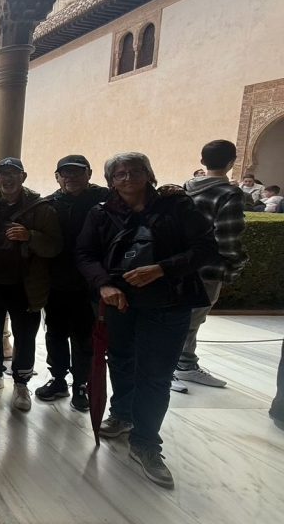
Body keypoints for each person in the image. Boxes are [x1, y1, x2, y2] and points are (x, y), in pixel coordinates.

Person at [77, 152, 216, 489]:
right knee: (121, 361)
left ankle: (146, 442)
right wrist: (104, 285)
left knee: (155, 374)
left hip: (168, 302)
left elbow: (205, 248)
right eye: (120, 173)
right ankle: (123, 415)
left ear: (149, 174)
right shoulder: (101, 213)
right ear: (111, 181)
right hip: (120, 303)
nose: (128, 178)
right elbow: (85, 254)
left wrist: (162, 269)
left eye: (135, 171)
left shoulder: (176, 206)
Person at [0, 157, 61, 412]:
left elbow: (55, 245)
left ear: (23, 177)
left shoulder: (41, 208)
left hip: (25, 284)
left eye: (13, 174)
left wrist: (29, 236)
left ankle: (22, 383)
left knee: (25, 335)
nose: (8, 179)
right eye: (3, 174)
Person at [36, 155, 109, 411]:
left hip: (89, 283)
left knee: (84, 337)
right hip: (57, 282)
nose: (71, 178)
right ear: (57, 177)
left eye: (77, 172)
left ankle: (81, 385)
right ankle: (58, 379)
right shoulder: (50, 204)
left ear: (89, 173)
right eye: (65, 173)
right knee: (55, 333)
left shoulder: (105, 200)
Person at [176, 140, 249, 391]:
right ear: (232, 162)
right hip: (208, 268)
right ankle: (178, 366)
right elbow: (228, 236)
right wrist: (235, 265)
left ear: (202, 161)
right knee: (192, 319)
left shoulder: (185, 189)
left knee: (183, 317)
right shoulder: (228, 194)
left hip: (179, 265)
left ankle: (182, 363)